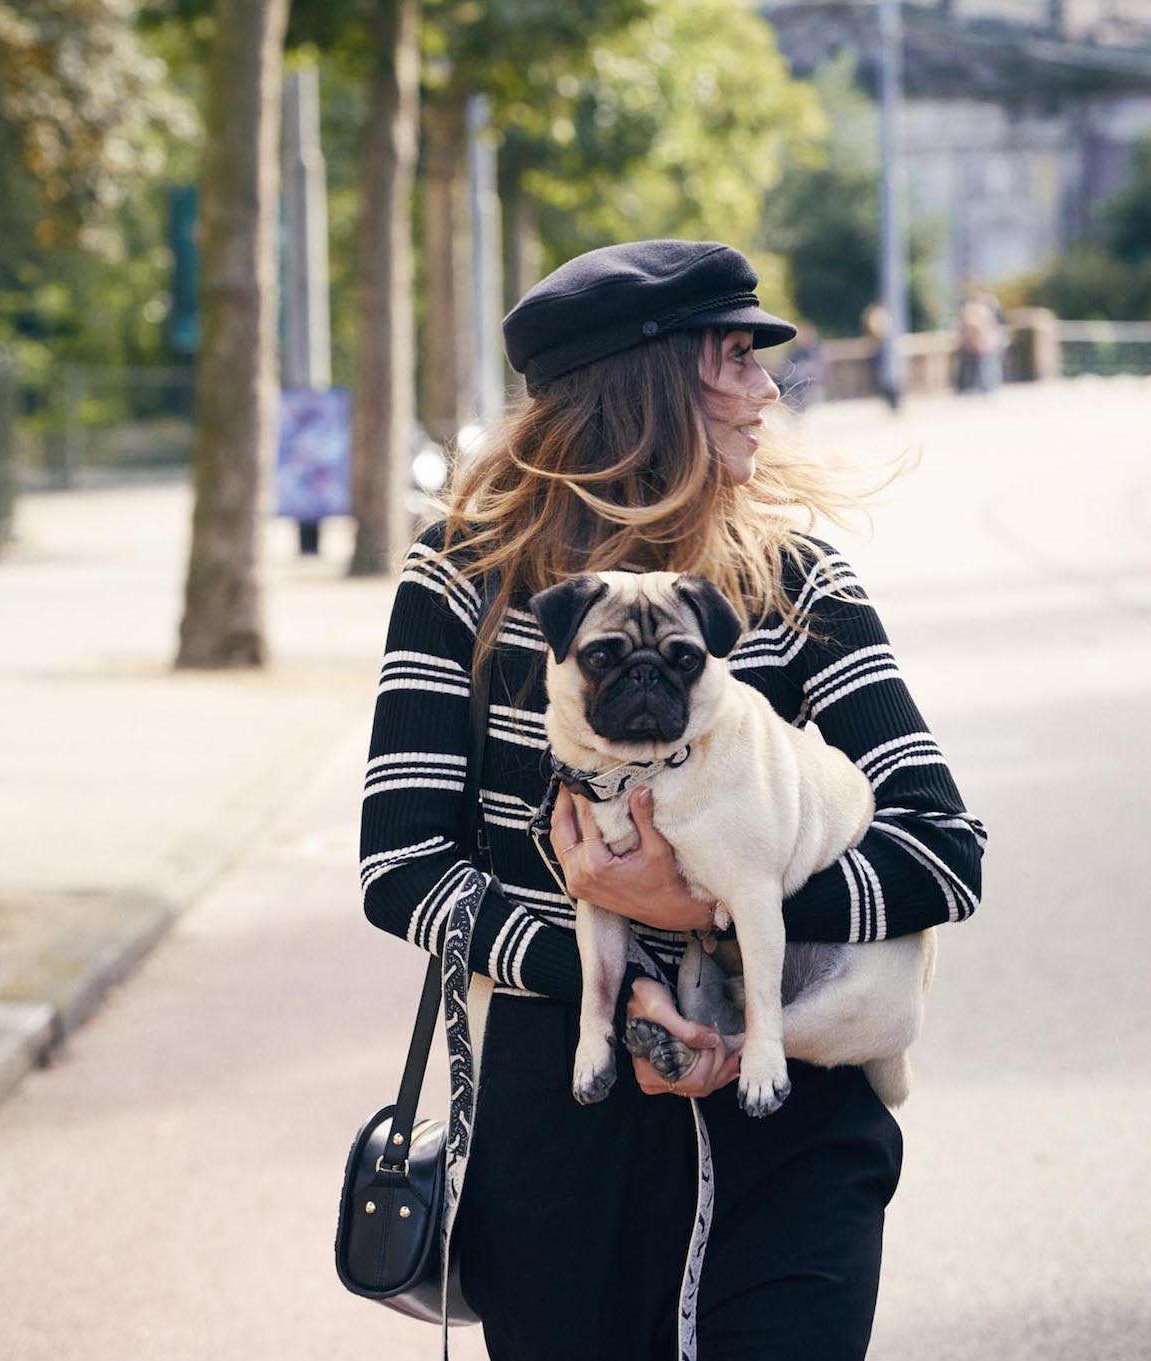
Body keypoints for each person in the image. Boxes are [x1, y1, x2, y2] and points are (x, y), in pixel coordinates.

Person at [359, 240, 986, 1360]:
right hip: (559, 1141)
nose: (766, 391)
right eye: (734, 361)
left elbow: (941, 851)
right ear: (640, 391)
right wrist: (606, 969)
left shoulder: (797, 585)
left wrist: (705, 909)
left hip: (794, 1136)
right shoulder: (462, 579)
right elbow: (400, 865)